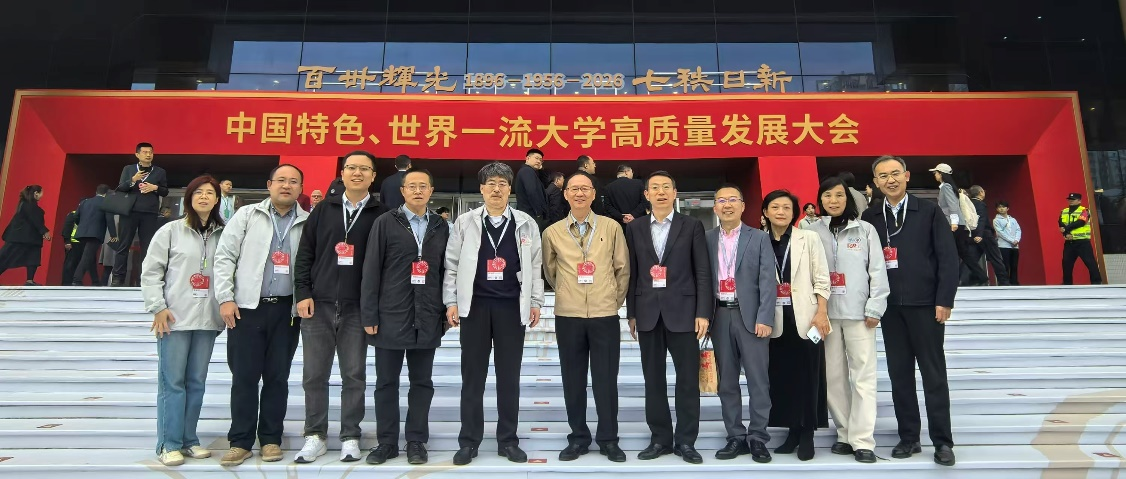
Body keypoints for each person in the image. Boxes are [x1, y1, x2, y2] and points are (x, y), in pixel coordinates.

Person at [444, 162, 544, 465]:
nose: (496, 189)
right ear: (482, 189)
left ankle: (508, 440)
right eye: (491, 184)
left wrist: (536, 301)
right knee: (472, 377)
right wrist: (451, 301)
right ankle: (469, 441)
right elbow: (452, 264)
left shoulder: (525, 223)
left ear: (510, 188)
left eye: (502, 183)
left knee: (508, 377)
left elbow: (535, 265)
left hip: (511, 307)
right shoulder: (465, 222)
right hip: (475, 307)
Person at [862, 155, 958, 466]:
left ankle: (942, 442)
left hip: (925, 305)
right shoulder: (870, 216)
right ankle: (909, 437)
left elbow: (947, 256)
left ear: (906, 175)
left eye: (895, 173)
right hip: (890, 308)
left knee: (933, 375)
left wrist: (944, 299)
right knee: (899, 375)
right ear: (875, 182)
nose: (889, 180)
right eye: (882, 176)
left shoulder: (928, 210)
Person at [292, 151, 387, 464]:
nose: (357, 173)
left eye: (364, 169)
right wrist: (302, 292)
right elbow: (305, 253)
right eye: (351, 168)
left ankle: (350, 436)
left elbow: (385, 264)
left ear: (373, 176)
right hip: (317, 304)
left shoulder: (382, 214)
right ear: (342, 173)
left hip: (358, 307)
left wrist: (374, 307)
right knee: (314, 375)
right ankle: (315, 435)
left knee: (354, 375)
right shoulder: (323, 209)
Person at [213, 164, 310, 466]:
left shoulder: (308, 222)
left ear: (300, 188)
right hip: (247, 309)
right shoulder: (247, 215)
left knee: (277, 378)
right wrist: (226, 298)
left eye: (293, 181)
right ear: (269, 185)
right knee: (244, 377)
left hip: (287, 311)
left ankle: (270, 439)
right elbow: (225, 256)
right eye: (281, 180)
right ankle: (240, 441)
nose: (286, 186)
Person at [362, 168, 449, 465]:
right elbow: (371, 269)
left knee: (422, 383)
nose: (417, 191)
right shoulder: (386, 222)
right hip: (390, 314)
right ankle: (386, 442)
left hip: (427, 315)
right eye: (412, 186)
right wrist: (369, 314)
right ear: (402, 191)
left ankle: (416, 441)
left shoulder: (440, 225)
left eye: (423, 186)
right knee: (386, 383)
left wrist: (444, 312)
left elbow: (445, 271)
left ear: (431, 191)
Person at [542, 171, 630, 463]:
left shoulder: (611, 227)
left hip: (604, 314)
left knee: (606, 379)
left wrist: (612, 300)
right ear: (565, 194)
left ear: (593, 194)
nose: (579, 193)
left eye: (585, 189)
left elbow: (622, 269)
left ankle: (608, 438)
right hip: (569, 315)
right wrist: (569, 292)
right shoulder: (552, 232)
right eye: (574, 189)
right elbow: (551, 271)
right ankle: (578, 437)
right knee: (573, 379)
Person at [625, 170, 710, 464]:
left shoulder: (692, 225)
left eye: (666, 187)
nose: (660, 192)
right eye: (654, 188)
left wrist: (703, 312)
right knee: (653, 380)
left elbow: (702, 271)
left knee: (687, 380)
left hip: (684, 314)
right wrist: (631, 313)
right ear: (646, 195)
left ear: (675, 193)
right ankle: (660, 438)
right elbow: (633, 273)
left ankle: (686, 441)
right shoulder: (635, 228)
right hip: (647, 313)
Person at [141, 175, 225, 466]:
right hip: (173, 319)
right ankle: (169, 443)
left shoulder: (223, 233)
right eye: (198, 192)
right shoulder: (171, 231)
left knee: (196, 382)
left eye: (209, 193)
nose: (204, 197)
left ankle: (189, 440)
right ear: (189, 197)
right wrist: (157, 307)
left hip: (207, 320)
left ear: (217, 199)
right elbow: (152, 271)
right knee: (173, 383)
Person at [808, 176, 890, 463]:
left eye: (839, 195)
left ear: (848, 199)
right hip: (826, 316)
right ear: (820, 200)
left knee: (863, 377)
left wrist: (875, 307)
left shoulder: (865, 230)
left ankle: (863, 440)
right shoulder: (811, 232)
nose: (833, 200)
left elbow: (877, 270)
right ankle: (844, 432)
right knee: (833, 377)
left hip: (859, 314)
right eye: (827, 195)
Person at [705, 184, 775, 464]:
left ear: (743, 206)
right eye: (721, 200)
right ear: (715, 207)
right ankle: (735, 435)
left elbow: (768, 280)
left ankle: (758, 436)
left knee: (758, 380)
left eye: (733, 199)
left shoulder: (759, 237)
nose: (727, 205)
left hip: (752, 318)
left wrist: (765, 317)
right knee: (727, 382)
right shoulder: (706, 238)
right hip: (720, 316)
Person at [762, 189, 831, 462]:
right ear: (765, 212)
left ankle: (807, 433)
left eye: (786, 208)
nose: (781, 212)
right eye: (775, 207)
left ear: (794, 213)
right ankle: (791, 431)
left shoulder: (808, 238)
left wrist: (822, 312)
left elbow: (822, 277)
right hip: (774, 321)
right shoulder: (759, 240)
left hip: (806, 318)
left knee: (809, 377)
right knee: (783, 378)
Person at [112, 142, 169, 286]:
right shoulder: (129, 169)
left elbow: (165, 191)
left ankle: (145, 278)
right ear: (137, 154)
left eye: (151, 152)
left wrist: (155, 187)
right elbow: (120, 188)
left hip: (149, 212)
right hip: (129, 211)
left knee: (148, 247)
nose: (148, 155)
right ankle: (118, 278)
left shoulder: (159, 171)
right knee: (123, 245)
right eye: (145, 152)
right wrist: (133, 180)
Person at [929, 163, 986, 287]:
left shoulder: (946, 187)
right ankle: (981, 276)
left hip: (954, 224)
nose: (935, 175)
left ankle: (951, 279)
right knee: (962, 252)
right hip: (957, 224)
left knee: (949, 252)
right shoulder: (948, 187)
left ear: (941, 174)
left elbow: (952, 205)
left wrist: (954, 222)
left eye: (936, 173)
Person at [0, 185, 50, 285]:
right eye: (41, 193)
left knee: (33, 258)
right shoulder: (28, 205)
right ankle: (29, 280)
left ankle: (29, 281)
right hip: (20, 238)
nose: (42, 195)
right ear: (36, 193)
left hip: (30, 239)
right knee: (6, 258)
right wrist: (44, 231)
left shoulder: (27, 205)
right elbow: (35, 220)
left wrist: (42, 231)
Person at [72, 184, 118, 286]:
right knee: (87, 257)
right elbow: (109, 220)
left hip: (82, 233)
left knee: (90, 257)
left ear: (96, 192)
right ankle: (77, 279)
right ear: (107, 193)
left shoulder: (85, 202)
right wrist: (113, 235)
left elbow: (76, 216)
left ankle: (95, 281)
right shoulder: (107, 203)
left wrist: (81, 226)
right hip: (95, 233)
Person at [968, 186, 1009, 286]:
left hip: (973, 234)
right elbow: (981, 219)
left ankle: (969, 279)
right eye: (983, 191)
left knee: (971, 258)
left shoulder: (969, 203)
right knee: (995, 257)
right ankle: (1003, 281)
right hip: (984, 234)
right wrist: (980, 234)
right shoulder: (980, 204)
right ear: (980, 192)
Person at [1059, 192, 1102, 285]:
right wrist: (1066, 234)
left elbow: (1081, 222)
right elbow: (1061, 224)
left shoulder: (1085, 211)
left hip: (1083, 242)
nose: (1070, 201)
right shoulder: (1064, 211)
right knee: (1066, 263)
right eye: (1069, 199)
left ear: (1079, 201)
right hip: (1069, 242)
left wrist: (1066, 228)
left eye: (1073, 199)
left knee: (1090, 262)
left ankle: (1097, 282)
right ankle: (1067, 284)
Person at [514, 148, 549, 228]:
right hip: (531, 215)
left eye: (541, 160)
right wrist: (538, 213)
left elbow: (545, 185)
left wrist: (541, 170)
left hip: (530, 215)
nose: (539, 161)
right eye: (536, 158)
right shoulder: (527, 171)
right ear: (528, 158)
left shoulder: (532, 172)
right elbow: (532, 191)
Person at [993, 201, 1021, 285]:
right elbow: (1000, 233)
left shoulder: (1013, 219)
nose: (1001, 209)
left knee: (1014, 265)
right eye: (999, 207)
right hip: (1003, 246)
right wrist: (1012, 240)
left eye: (1003, 207)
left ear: (1007, 208)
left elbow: (1018, 230)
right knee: (1005, 265)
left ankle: (1014, 282)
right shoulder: (996, 220)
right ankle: (1005, 282)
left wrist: (1017, 240)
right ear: (997, 209)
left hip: (1015, 246)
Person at [60, 207, 81, 285]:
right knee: (70, 264)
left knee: (78, 265)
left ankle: (74, 282)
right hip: (72, 243)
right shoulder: (73, 214)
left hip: (81, 243)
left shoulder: (85, 215)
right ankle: (66, 283)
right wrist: (67, 242)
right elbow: (66, 228)